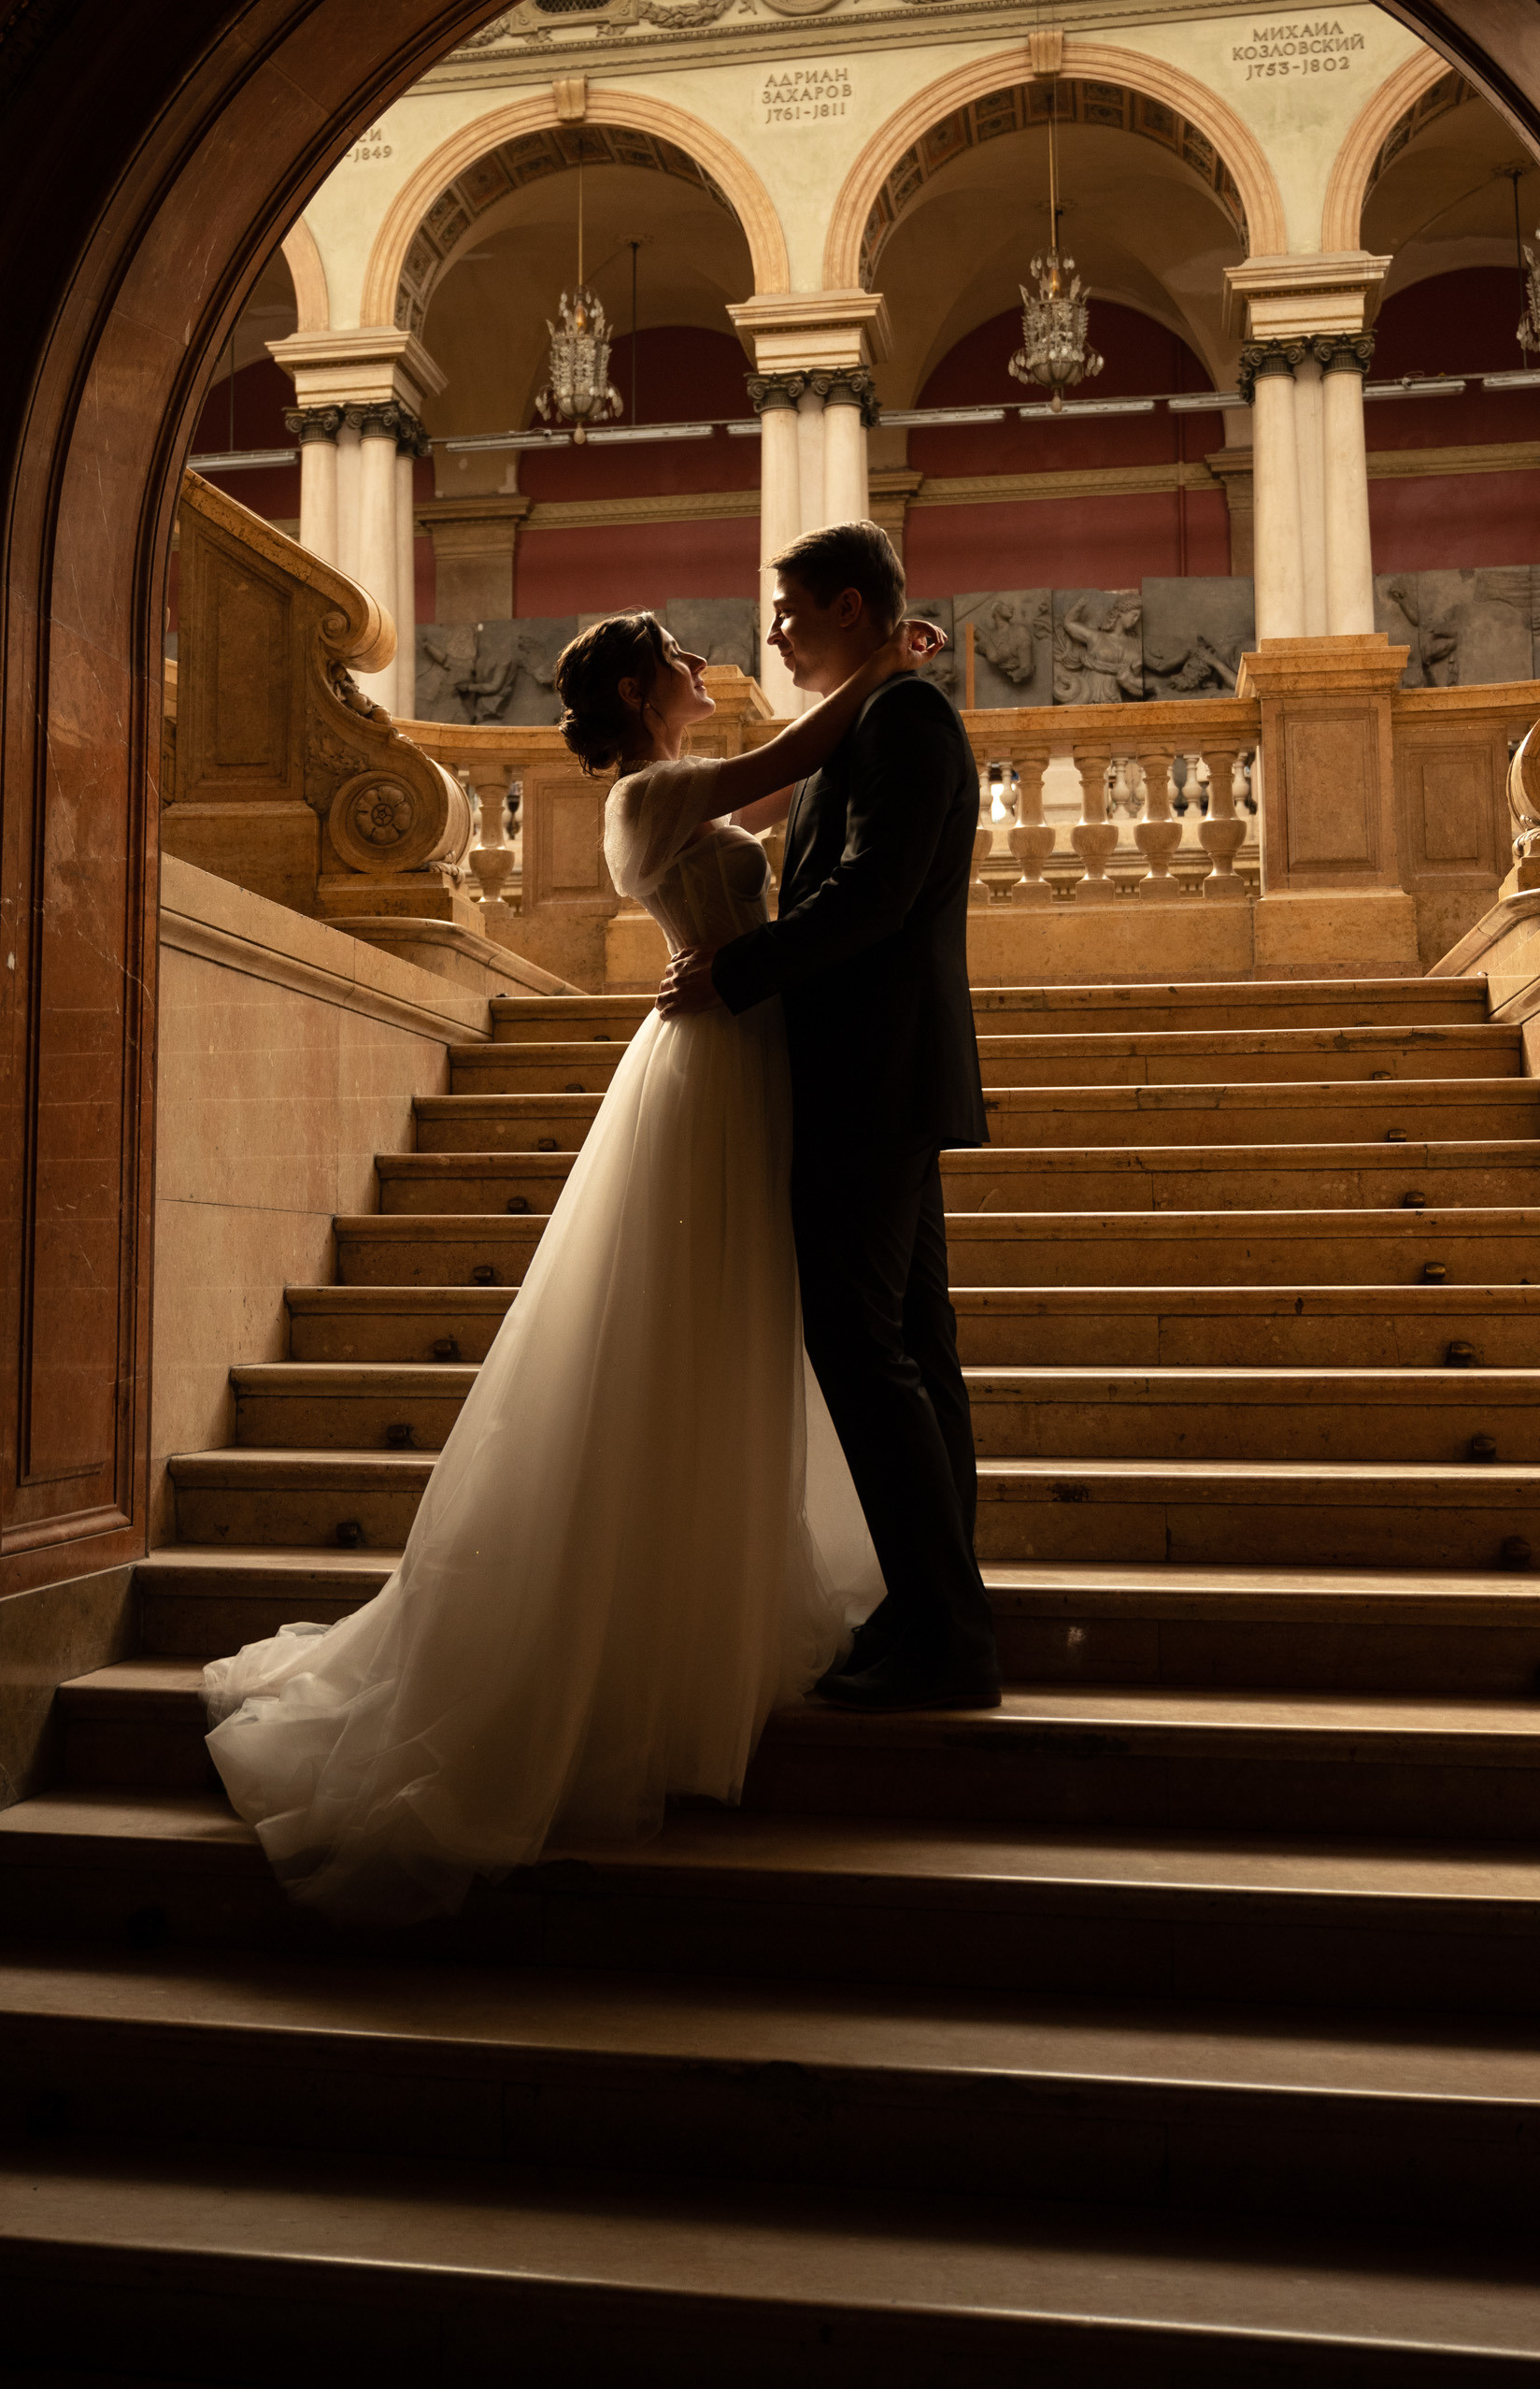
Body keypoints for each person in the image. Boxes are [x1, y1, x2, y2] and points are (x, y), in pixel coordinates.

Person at [201, 600, 938, 1926]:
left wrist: (881, 696)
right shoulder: (652, 799)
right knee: (680, 1331)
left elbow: (788, 801)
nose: (702, 665)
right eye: (678, 658)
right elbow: (782, 768)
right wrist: (883, 668)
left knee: (735, 1332)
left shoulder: (680, 799)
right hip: (713, 1070)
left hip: (744, 1057)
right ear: (641, 693)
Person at [660, 521, 1000, 1713]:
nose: (773, 632)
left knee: (864, 1349)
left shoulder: (903, 719)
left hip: (872, 1076)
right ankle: (934, 1607)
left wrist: (734, 972)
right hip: (880, 1074)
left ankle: (945, 1634)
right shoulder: (875, 715)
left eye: (790, 609)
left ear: (850, 606)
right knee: (911, 1346)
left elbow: (875, 892)